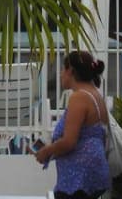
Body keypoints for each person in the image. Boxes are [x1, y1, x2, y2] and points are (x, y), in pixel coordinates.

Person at [34, 50, 110, 199]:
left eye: (63, 69)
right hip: (93, 172)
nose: (61, 74)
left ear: (71, 71)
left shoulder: (79, 97)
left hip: (79, 176)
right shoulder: (95, 95)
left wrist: (46, 151)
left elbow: (69, 141)